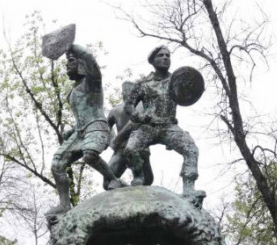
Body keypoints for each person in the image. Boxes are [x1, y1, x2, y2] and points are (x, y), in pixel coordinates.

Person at [49, 43, 123, 217]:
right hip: (80, 132)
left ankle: (113, 179)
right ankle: (64, 205)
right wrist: (71, 131)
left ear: (81, 64)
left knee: (89, 155)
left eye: (71, 60)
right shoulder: (72, 92)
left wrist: (70, 46)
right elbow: (82, 115)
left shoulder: (92, 82)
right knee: (57, 165)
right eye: (67, 61)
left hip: (97, 127)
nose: (67, 65)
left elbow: (91, 61)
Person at [124, 46, 200, 196]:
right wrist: (139, 117)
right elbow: (129, 105)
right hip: (149, 127)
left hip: (169, 126)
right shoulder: (143, 83)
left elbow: (191, 93)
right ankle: (138, 177)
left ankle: (189, 189)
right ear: (152, 61)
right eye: (161, 55)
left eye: (167, 55)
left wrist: (195, 89)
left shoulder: (177, 81)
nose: (165, 58)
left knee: (191, 150)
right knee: (130, 149)